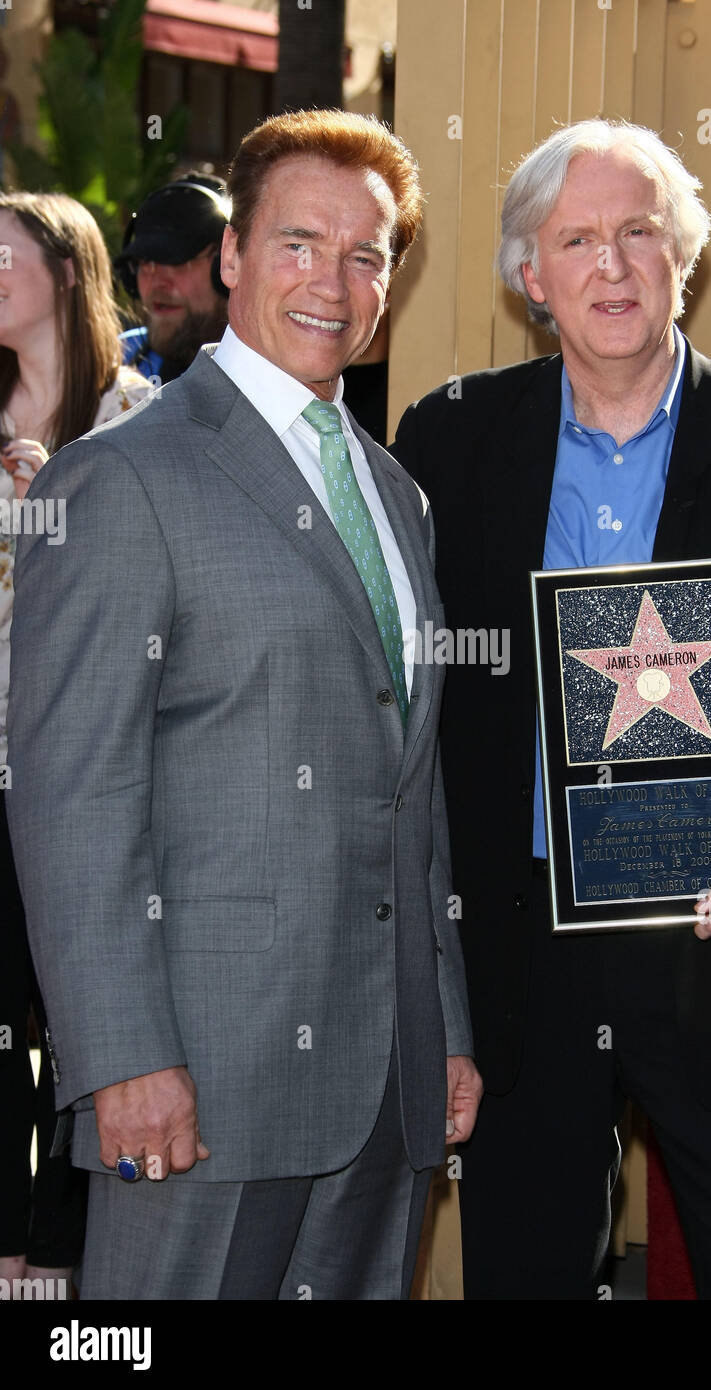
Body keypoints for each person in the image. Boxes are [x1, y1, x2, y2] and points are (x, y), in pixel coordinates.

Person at [392, 119, 711, 1300]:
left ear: (686, 254)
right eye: (577, 239)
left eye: (640, 233)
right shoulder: (453, 436)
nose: (613, 267)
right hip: (521, 957)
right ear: (534, 277)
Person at [6, 109, 480, 1301]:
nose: (335, 282)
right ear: (231, 257)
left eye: (367, 255)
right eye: (299, 244)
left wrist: (447, 1026)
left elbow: (411, 790)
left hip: (385, 1087)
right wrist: (123, 1058)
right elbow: (74, 797)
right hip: (200, 1084)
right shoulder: (120, 479)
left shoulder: (397, 494)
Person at [0, 190, 151, 1297]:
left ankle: (64, 1250)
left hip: (100, 770)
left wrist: (58, 508)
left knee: (89, 1006)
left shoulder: (140, 422)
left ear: (65, 269)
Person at [115, 172, 230, 384]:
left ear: (226, 263)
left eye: (177, 262)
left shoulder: (276, 374)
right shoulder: (117, 359)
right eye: (146, 262)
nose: (158, 282)